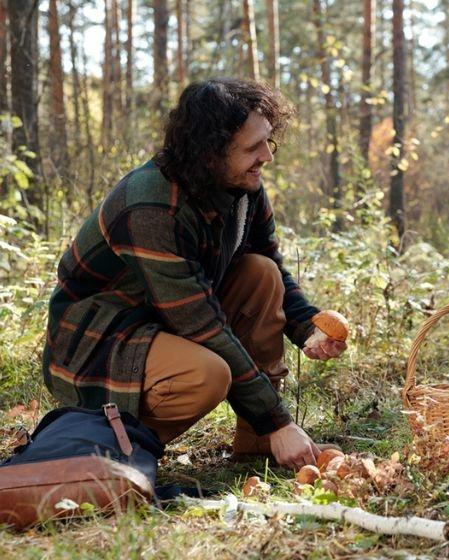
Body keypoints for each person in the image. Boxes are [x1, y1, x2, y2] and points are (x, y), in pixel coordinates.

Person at [41, 78, 345, 470]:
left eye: (268, 141)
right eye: (252, 147)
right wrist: (280, 420)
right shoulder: (150, 206)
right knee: (208, 374)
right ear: (210, 154)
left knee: (261, 272)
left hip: (160, 321)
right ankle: (106, 448)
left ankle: (259, 444)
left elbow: (270, 264)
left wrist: (307, 327)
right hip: (99, 342)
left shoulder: (243, 186)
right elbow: (200, 324)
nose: (267, 156)